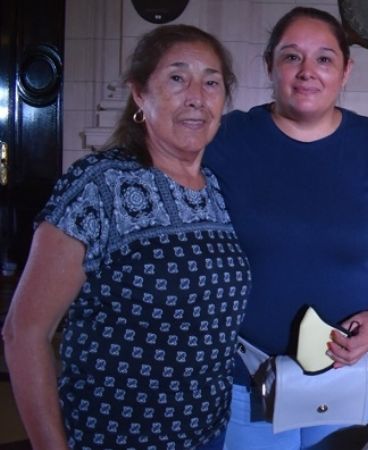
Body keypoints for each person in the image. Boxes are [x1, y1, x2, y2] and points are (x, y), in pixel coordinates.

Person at [2, 25, 250, 450]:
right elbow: (24, 333)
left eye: (211, 82)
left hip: (207, 434)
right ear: (140, 93)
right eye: (176, 78)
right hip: (112, 437)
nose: (196, 96)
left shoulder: (216, 189)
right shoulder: (100, 187)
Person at [204, 6, 368, 449]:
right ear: (270, 65)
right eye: (291, 57)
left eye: (324, 59)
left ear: (346, 70)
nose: (308, 72)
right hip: (244, 378)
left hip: (347, 374)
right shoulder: (226, 140)